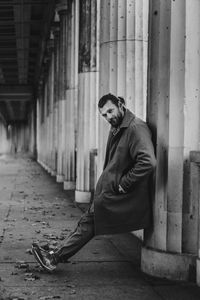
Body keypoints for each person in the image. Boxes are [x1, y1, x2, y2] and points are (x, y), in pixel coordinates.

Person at [32, 93, 156, 272]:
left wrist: (124, 184)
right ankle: (55, 253)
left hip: (117, 193)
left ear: (121, 104)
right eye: (104, 115)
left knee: (87, 225)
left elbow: (148, 162)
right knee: (86, 223)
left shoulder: (135, 128)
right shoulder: (119, 128)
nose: (108, 117)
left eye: (110, 111)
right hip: (108, 191)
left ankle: (54, 257)